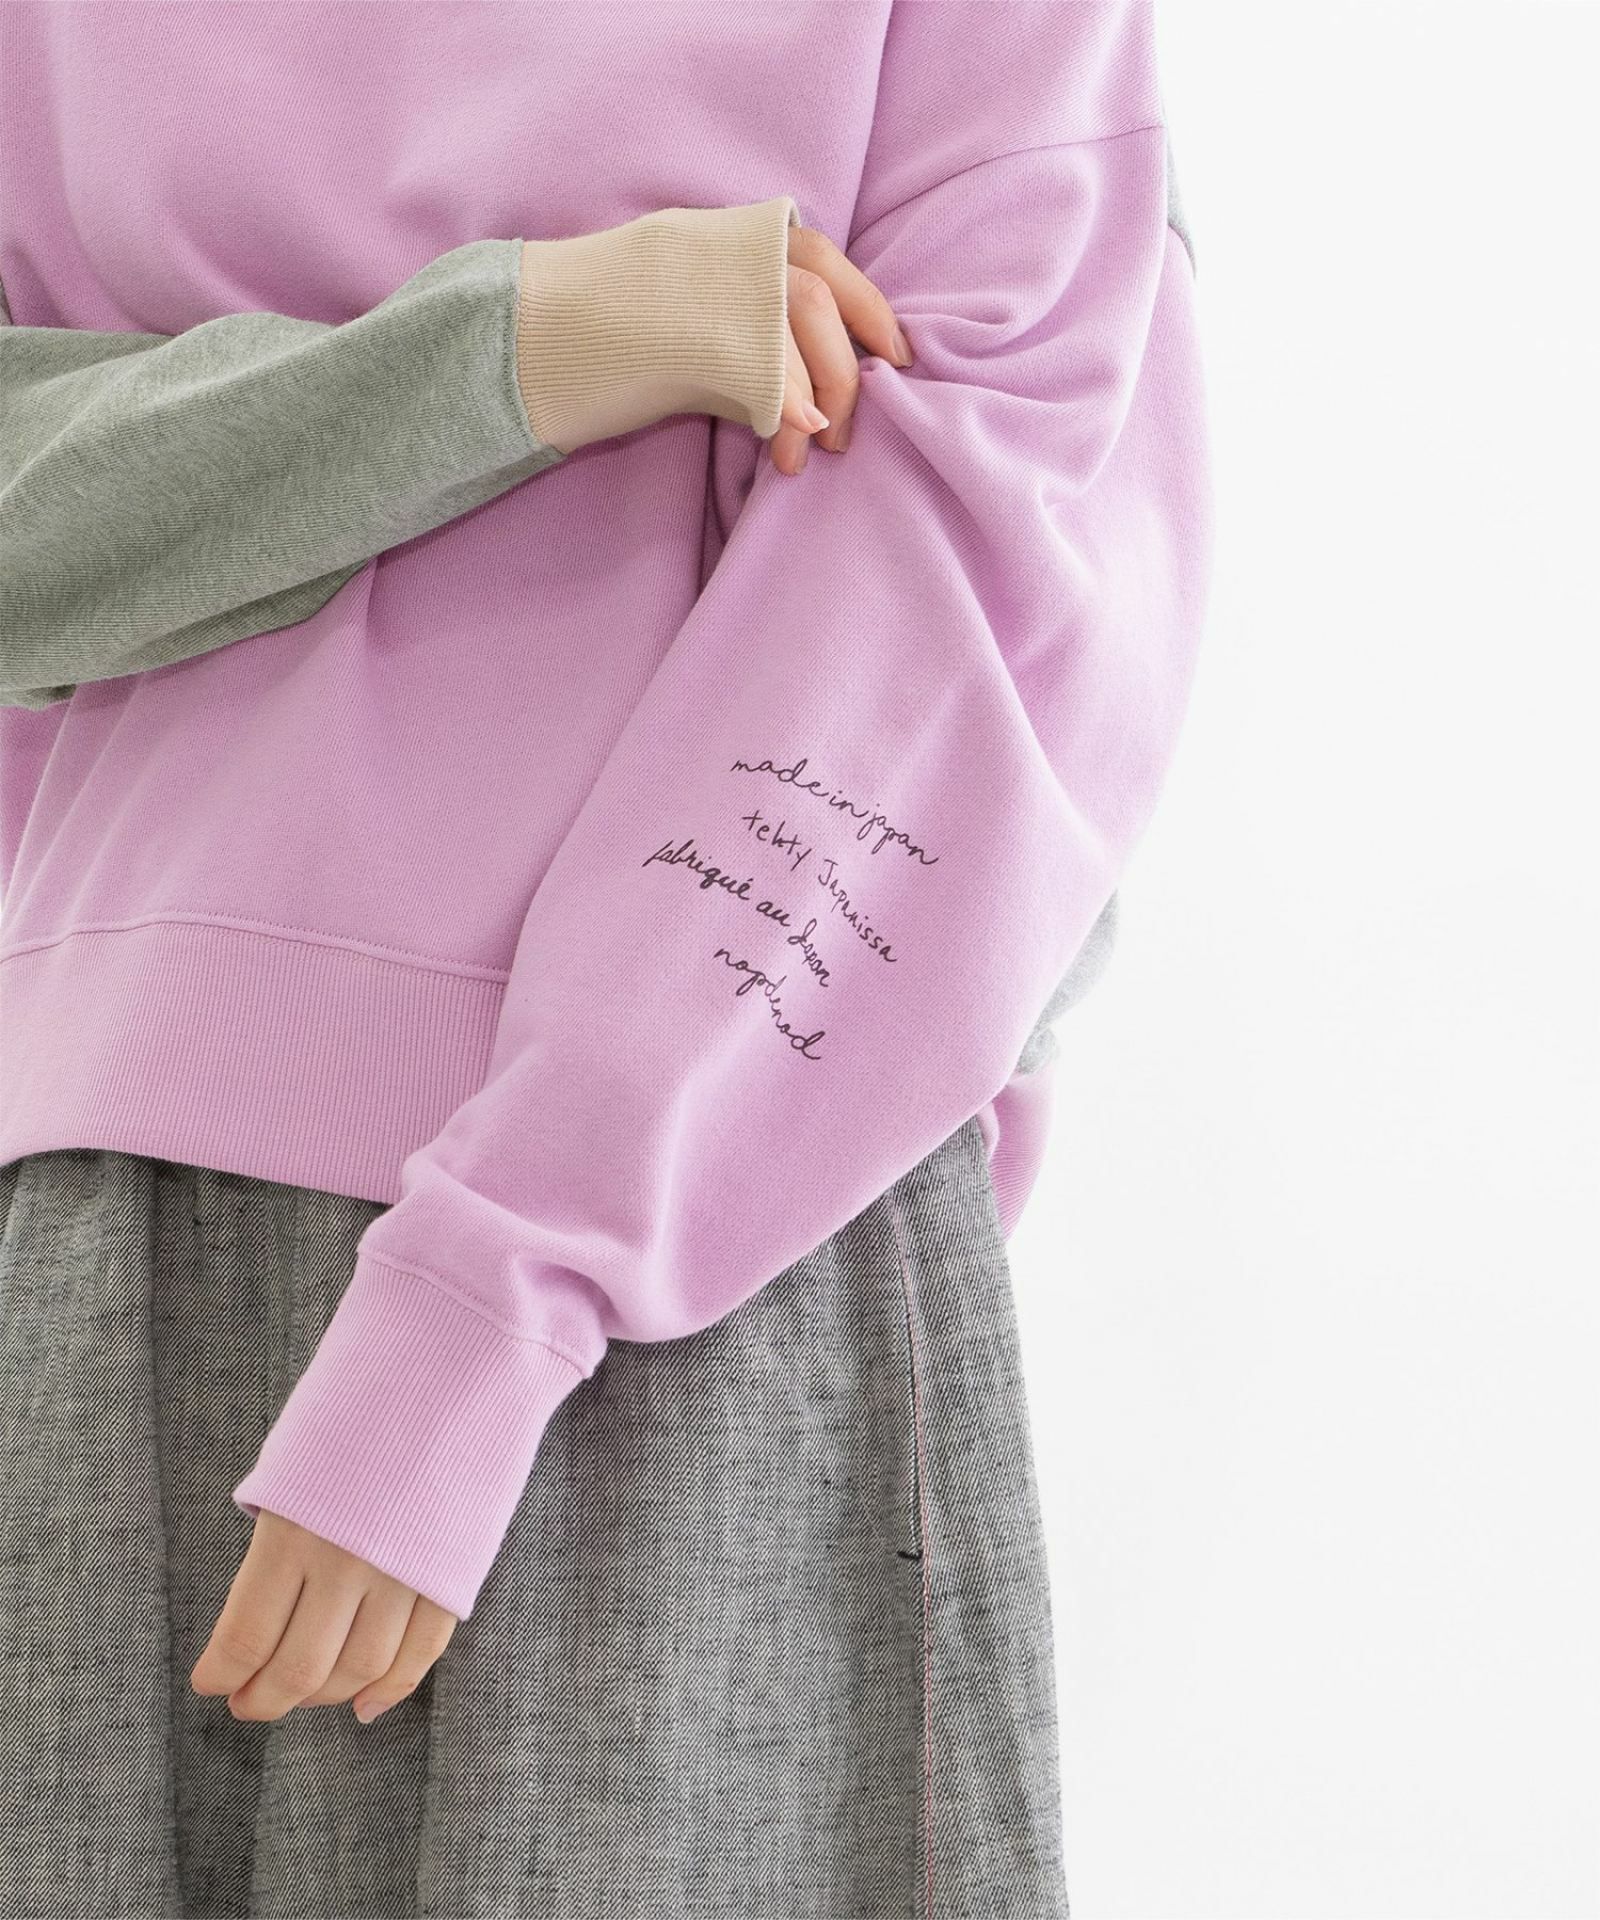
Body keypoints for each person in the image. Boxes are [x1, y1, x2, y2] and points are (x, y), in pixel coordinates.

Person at [0, 3, 1211, 1914]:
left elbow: (970, 570)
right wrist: (529, 348)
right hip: (468, 1225)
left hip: (629, 1262)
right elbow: (993, 596)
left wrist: (490, 1303)